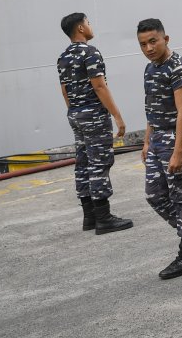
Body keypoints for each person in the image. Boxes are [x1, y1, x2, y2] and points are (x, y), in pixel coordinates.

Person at [137, 18, 182, 279]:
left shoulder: (179, 68)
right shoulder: (150, 69)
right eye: (143, 44)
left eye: (153, 41)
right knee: (155, 195)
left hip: (176, 138)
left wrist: (179, 151)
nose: (148, 48)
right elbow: (151, 108)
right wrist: (147, 141)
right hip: (158, 137)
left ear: (165, 39)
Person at [56, 13, 133, 235]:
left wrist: (74, 111)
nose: (90, 26)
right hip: (94, 116)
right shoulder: (90, 52)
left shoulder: (63, 57)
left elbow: (65, 90)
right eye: (88, 23)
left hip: (75, 114)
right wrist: (117, 116)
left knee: (83, 163)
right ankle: (104, 217)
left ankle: (89, 216)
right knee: (99, 163)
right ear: (80, 28)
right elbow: (99, 86)